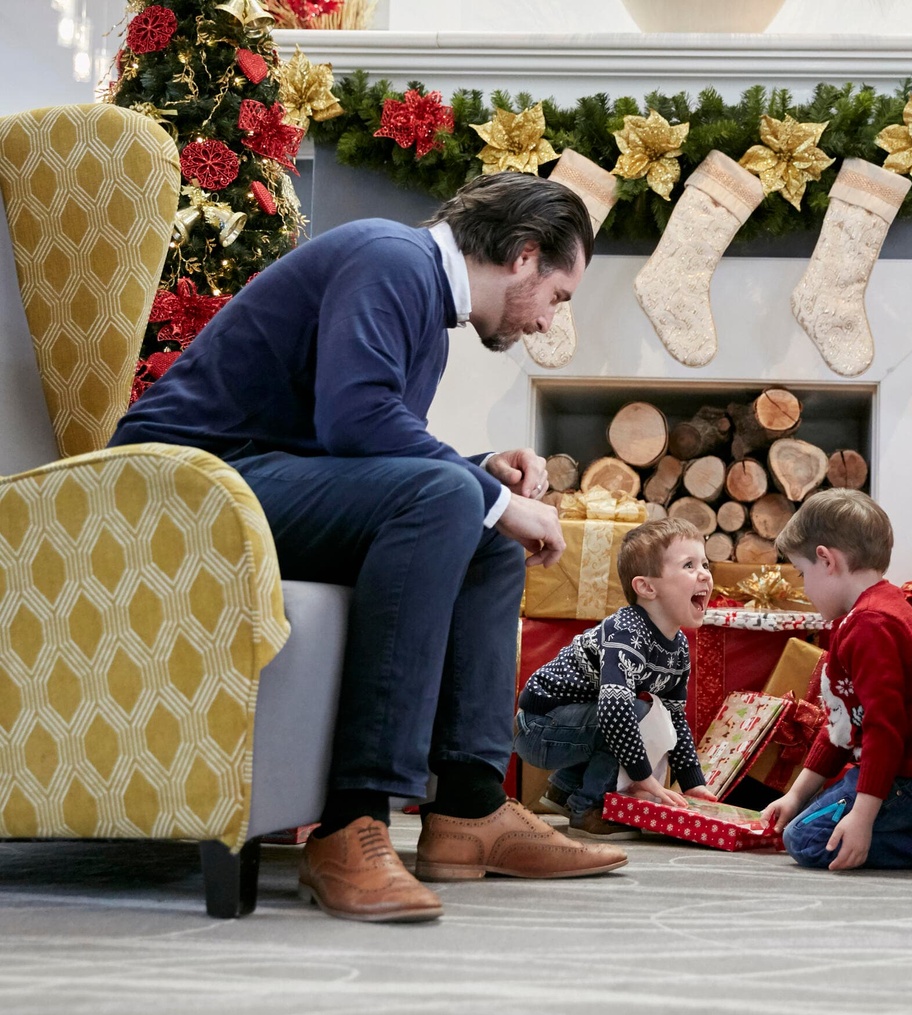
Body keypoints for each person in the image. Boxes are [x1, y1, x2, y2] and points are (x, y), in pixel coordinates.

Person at [109, 172, 630, 924]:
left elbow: (363, 449)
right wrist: (490, 494)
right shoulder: (393, 259)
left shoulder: (419, 293)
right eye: (559, 295)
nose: (551, 321)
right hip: (180, 491)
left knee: (479, 529)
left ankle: (470, 808)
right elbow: (358, 424)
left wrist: (482, 478)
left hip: (254, 480)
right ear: (523, 255)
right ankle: (352, 822)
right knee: (462, 502)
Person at [762, 489, 912, 871]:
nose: (803, 588)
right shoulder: (866, 614)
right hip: (909, 775)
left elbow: (883, 728)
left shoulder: (870, 625)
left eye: (802, 573)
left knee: (805, 840)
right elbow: (843, 728)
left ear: (826, 560)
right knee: (803, 820)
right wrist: (796, 796)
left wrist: (862, 818)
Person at [514, 518, 720, 839]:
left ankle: (564, 790)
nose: (705, 573)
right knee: (631, 714)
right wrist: (643, 777)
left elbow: (675, 719)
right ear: (647, 587)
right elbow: (614, 713)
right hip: (538, 726)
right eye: (689, 565)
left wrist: (693, 782)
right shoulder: (626, 631)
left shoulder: (678, 647)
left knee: (657, 715)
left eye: (705, 563)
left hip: (573, 724)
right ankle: (589, 807)